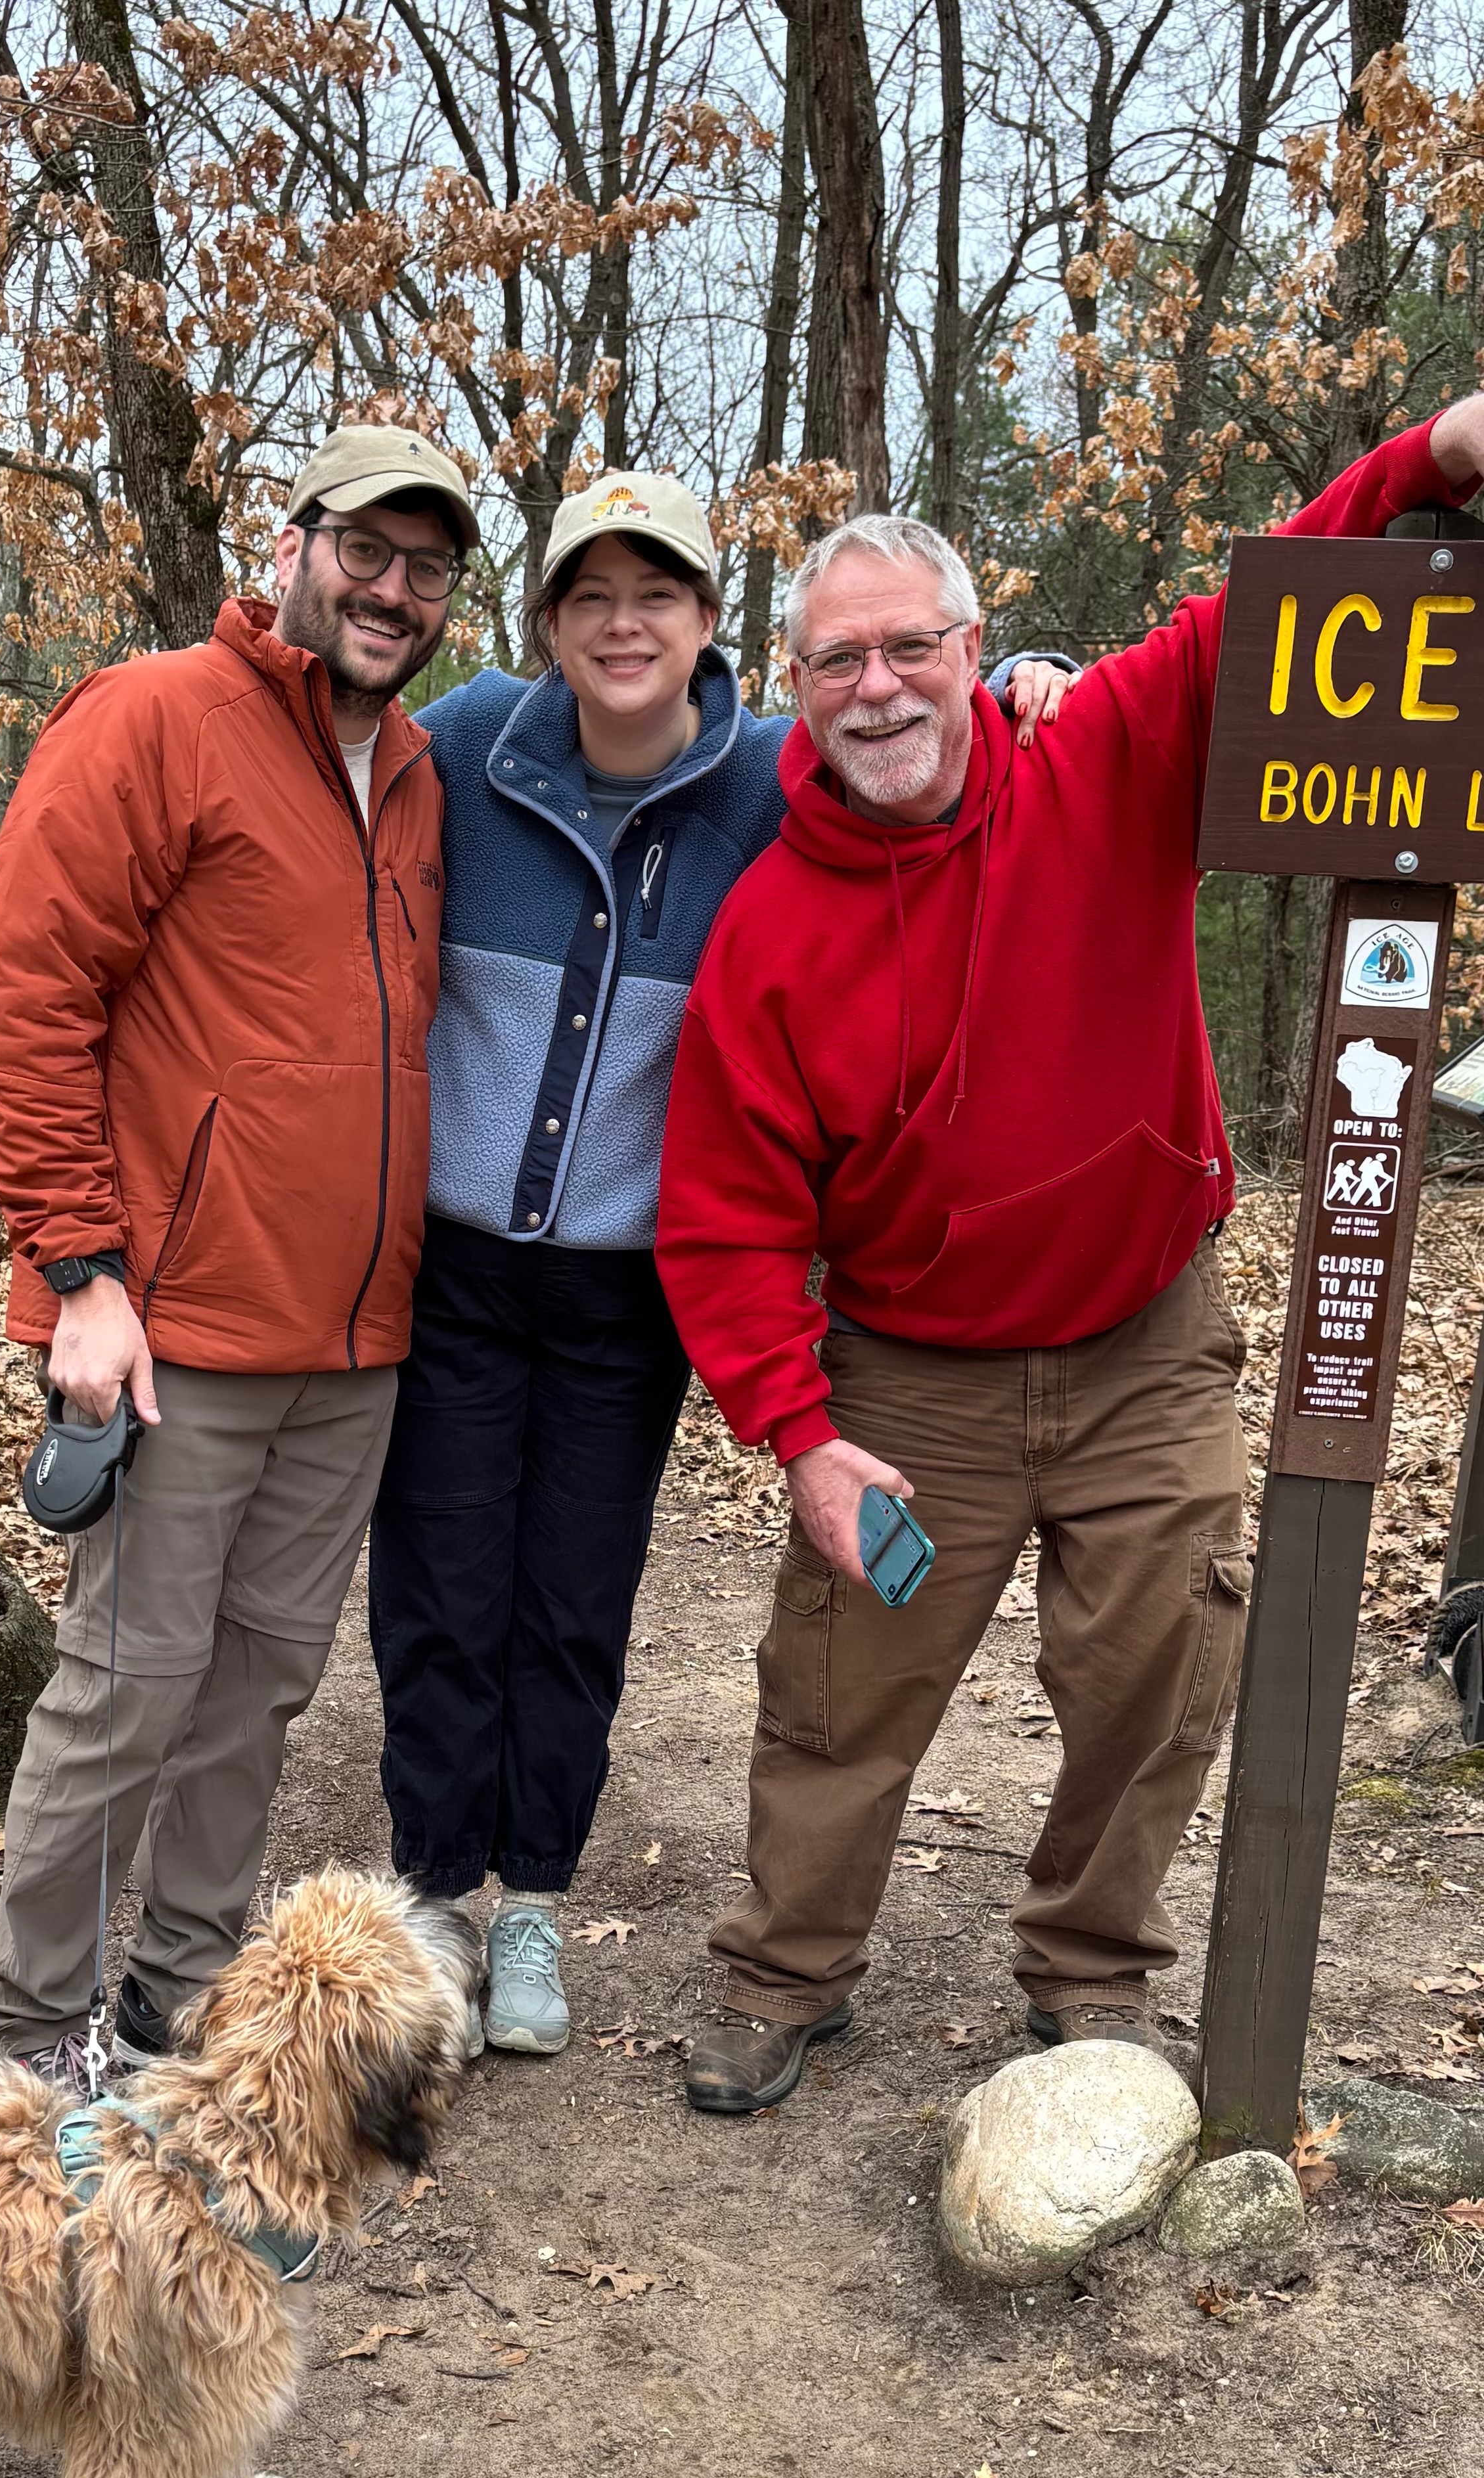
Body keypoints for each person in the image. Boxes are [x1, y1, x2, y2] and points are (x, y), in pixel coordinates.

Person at [654, 385, 1484, 2115]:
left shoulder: (1101, 754)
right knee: (837, 1689)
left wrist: (1423, 455)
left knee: (1164, 1670)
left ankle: (1091, 1971)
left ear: (973, 650)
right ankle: (785, 1973)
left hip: (1144, 1339)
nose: (878, 688)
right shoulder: (769, 931)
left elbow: (1265, 610)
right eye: (838, 661)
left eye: (910, 647)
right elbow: (725, 1219)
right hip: (909, 1375)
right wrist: (799, 1436)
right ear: (792, 687)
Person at [368, 470, 1078, 2056]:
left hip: (627, 1294)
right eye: (592, 597)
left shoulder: (768, 777)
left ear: (707, 623)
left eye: (659, 596)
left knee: (573, 1596)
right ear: (549, 621)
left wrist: (1035, 682)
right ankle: (434, 1895)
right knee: (439, 1587)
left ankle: (533, 1900)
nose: (625, 626)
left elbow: (924, 742)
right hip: (454, 1273)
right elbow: (324, 767)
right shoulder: (465, 744)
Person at [0, 424, 475, 2083]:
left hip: (353, 1346)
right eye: (365, 550)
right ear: (294, 545)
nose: (392, 589)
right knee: (127, 1692)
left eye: (426, 566)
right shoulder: (157, 718)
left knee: (259, 1694)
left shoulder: (418, 779)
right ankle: (30, 2041)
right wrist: (84, 1276)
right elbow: (26, 1003)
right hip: (172, 1334)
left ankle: (176, 1999)